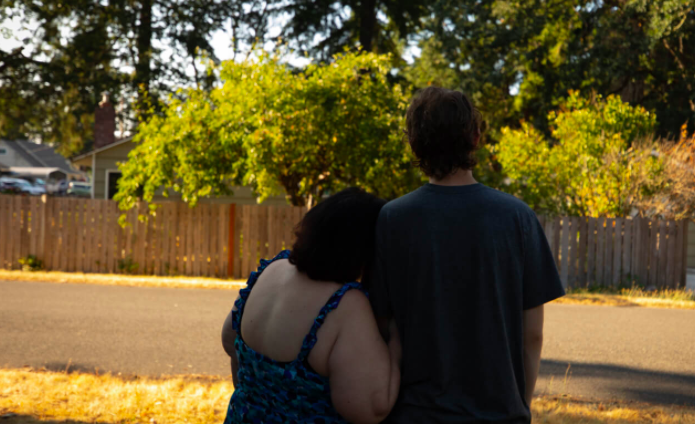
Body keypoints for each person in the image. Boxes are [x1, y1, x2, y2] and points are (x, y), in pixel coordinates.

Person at [368, 86, 565, 423]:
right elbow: (532, 336)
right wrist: (522, 405)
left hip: (416, 415)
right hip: (500, 413)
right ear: (475, 137)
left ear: (414, 143)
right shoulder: (518, 217)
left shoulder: (393, 219)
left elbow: (381, 329)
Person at [221, 187, 402, 424]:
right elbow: (370, 408)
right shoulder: (345, 304)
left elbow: (229, 339)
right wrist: (397, 343)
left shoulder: (272, 269)